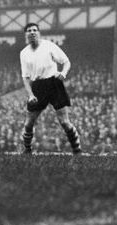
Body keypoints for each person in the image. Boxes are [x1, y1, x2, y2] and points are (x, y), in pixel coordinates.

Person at [20, 22, 81, 154]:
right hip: (38, 86)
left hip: (54, 83)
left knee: (64, 122)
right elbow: (25, 77)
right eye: (29, 30)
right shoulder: (24, 53)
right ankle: (27, 150)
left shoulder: (49, 45)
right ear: (26, 35)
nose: (32, 32)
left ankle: (77, 149)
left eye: (35, 30)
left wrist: (63, 73)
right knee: (28, 123)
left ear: (39, 33)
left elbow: (66, 62)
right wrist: (30, 95)